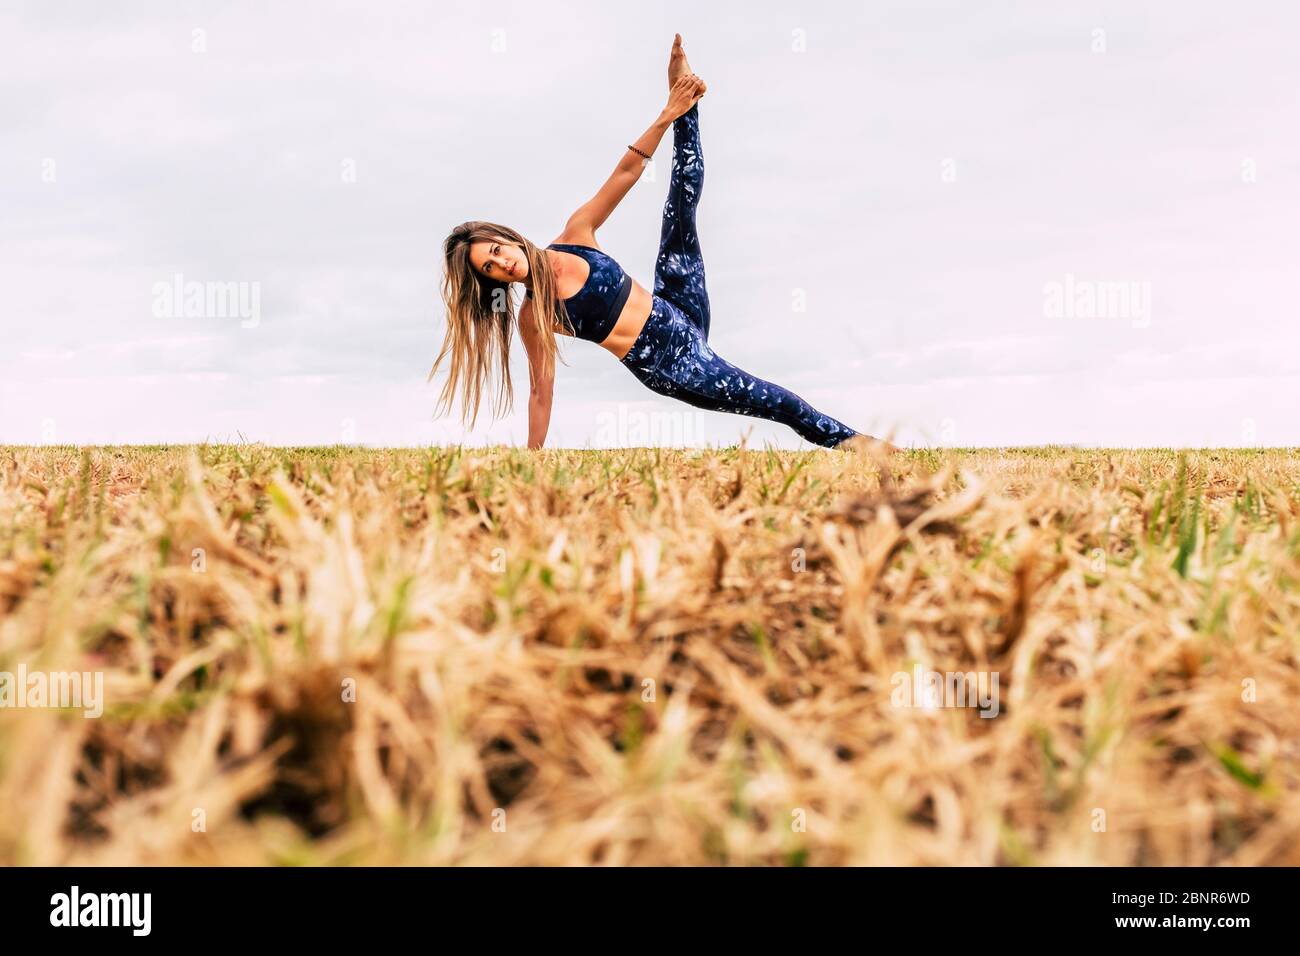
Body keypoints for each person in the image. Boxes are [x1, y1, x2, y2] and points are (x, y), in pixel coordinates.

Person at [433, 34, 883, 451]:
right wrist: (533, 459)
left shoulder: (575, 234)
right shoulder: (535, 315)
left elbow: (627, 172)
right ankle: (864, 447)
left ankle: (685, 96)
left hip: (678, 306)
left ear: (506, 239)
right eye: (489, 270)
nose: (502, 265)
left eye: (496, 252)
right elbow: (539, 390)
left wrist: (668, 114)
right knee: (781, 402)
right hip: (673, 365)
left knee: (680, 206)